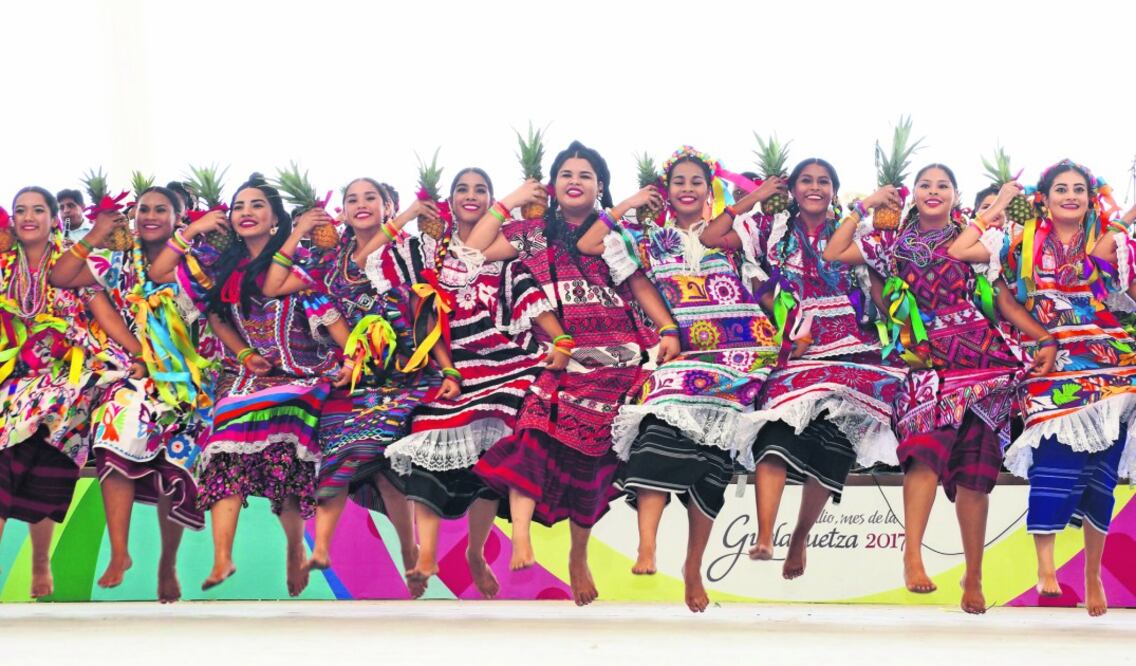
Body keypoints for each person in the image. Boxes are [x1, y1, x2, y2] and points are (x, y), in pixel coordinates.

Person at [822, 163, 1054, 614]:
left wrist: (1043, 337)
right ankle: (913, 555)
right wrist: (864, 206)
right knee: (924, 450)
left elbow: (1001, 297)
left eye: (942, 185)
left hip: (982, 359)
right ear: (913, 194)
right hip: (926, 359)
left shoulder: (975, 236)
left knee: (976, 470)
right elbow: (834, 252)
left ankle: (974, 574)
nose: (933, 191)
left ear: (954, 193)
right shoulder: (889, 242)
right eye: (925, 184)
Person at [466, 141, 681, 605]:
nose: (575, 181)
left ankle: (577, 557)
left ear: (599, 186)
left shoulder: (617, 234)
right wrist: (508, 201)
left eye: (585, 174)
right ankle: (520, 537)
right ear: (553, 184)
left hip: (620, 359)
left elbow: (639, 285)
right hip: (563, 355)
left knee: (597, 461)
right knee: (534, 428)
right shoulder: (529, 234)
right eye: (566, 173)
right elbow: (472, 252)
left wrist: (667, 329)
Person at [702, 158, 908, 579]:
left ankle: (799, 536)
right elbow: (711, 236)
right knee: (775, 431)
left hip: (850, 347)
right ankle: (764, 535)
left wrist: (902, 330)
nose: (815, 188)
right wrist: (754, 198)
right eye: (806, 181)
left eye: (824, 181)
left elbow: (878, 289)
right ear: (792, 189)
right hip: (796, 347)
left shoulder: (856, 230)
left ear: (835, 189)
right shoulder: (768, 229)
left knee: (834, 443)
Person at [369, 167, 569, 598]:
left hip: (506, 364)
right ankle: (426, 554)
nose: (471, 196)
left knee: (502, 437)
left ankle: (476, 552)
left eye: (481, 189)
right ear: (451, 200)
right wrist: (403, 217)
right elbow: (370, 260)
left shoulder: (507, 252)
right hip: (451, 368)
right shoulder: (428, 252)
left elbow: (532, 301)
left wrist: (562, 339)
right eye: (463, 189)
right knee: (427, 432)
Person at [949, 159, 1136, 616]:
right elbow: (962, 251)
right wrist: (1004, 202)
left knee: (1102, 473)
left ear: (1091, 198)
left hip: (1110, 364)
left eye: (1078, 189)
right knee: (1052, 460)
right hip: (1052, 361)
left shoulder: (1109, 239)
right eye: (1060, 189)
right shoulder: (1022, 240)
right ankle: (1046, 565)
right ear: (1045, 198)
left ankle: (1092, 573)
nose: (1070, 196)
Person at [149, 174, 348, 596]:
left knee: (284, 450)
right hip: (246, 376)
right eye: (239, 206)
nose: (245, 213)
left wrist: (351, 359)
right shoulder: (221, 265)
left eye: (257, 205)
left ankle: (295, 548)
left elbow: (301, 302)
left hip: (299, 374)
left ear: (276, 218)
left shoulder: (303, 261)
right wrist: (193, 230)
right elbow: (163, 272)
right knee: (226, 442)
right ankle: (223, 556)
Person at [609, 147, 786, 612]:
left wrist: (792, 334)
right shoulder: (648, 238)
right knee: (654, 427)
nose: (687, 188)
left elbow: (724, 247)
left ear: (710, 188)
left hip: (740, 353)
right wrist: (628, 204)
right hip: (685, 351)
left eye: (696, 181)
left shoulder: (735, 233)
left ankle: (692, 566)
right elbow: (598, 246)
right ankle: (647, 546)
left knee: (710, 464)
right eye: (678, 182)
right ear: (664, 191)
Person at [50, 185, 219, 602]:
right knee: (115, 429)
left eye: (162, 209)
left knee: (175, 455)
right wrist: (96, 234)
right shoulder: (118, 257)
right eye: (143, 208)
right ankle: (120, 551)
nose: (150, 215)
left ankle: (168, 561)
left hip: (189, 376)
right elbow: (61, 276)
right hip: (134, 369)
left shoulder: (198, 261)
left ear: (180, 217)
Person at [0, 187, 122, 598]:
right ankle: (38, 564)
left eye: (38, 210)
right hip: (12, 374)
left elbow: (103, 312)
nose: (28, 217)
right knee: (9, 448)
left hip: (70, 373)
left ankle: (39, 562)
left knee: (42, 429)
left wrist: (138, 354)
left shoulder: (74, 256)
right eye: (20, 210)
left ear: (55, 217)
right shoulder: (2, 262)